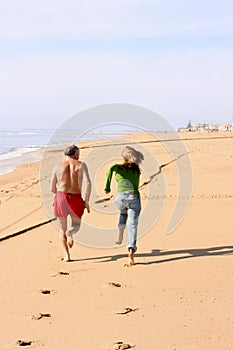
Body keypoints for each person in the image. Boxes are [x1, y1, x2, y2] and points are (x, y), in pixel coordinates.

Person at [51, 144, 92, 262]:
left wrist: (59, 197)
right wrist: (86, 201)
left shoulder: (57, 166)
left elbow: (52, 189)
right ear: (74, 154)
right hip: (75, 197)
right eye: (78, 154)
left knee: (61, 229)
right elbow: (88, 183)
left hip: (60, 197)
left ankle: (67, 256)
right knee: (76, 225)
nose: (79, 156)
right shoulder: (81, 165)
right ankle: (71, 232)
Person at [104, 146, 144, 266]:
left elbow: (110, 169)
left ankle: (120, 236)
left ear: (123, 158)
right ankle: (131, 248)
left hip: (120, 198)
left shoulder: (118, 167)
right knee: (133, 224)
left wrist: (107, 186)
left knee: (123, 213)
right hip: (134, 197)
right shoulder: (137, 169)